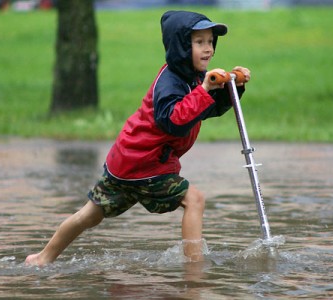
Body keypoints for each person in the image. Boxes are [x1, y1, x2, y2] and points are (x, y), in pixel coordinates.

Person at [25, 10, 250, 266]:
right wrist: (204, 89)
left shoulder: (194, 79)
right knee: (194, 199)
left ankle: (43, 258)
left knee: (90, 215)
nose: (208, 49)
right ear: (180, 46)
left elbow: (204, 109)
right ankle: (194, 270)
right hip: (146, 164)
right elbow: (175, 122)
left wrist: (234, 87)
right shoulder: (170, 82)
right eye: (199, 42)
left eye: (210, 42)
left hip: (126, 161)